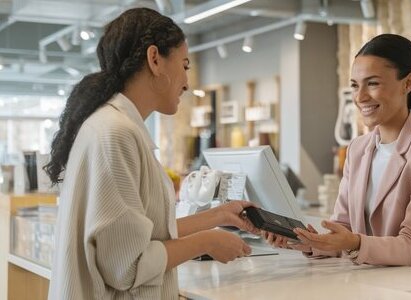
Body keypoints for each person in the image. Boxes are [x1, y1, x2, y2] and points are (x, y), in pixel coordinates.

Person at [44, 8, 256, 300]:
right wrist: (207, 241)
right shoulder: (116, 133)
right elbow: (127, 266)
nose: (186, 82)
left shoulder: (112, 126)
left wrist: (218, 216)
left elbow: (143, 234)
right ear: (155, 59)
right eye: (184, 65)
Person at [266, 34, 411, 271]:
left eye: (373, 83)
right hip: (373, 285)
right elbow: (343, 230)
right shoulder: (358, 149)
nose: (360, 97)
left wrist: (354, 242)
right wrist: (305, 241)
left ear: (408, 83)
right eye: (355, 85)